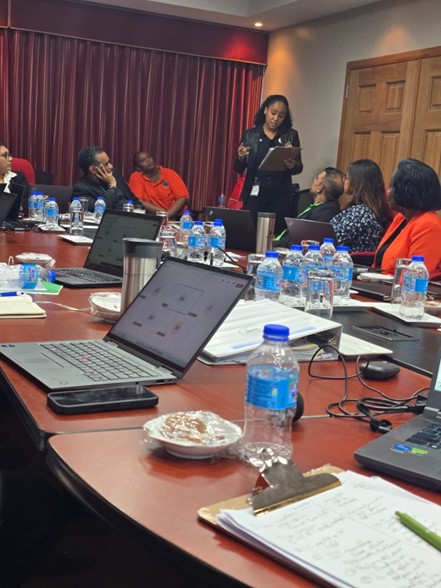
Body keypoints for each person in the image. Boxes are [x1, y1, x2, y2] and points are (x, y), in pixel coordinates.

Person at [234, 94, 303, 235]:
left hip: (280, 194)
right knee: (250, 232)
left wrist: (292, 165)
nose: (276, 119)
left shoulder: (290, 135)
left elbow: (299, 167)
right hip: (255, 191)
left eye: (281, 116)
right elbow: (238, 168)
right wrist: (240, 158)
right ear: (265, 110)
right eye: (273, 113)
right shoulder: (250, 135)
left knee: (277, 234)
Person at [373, 158, 441, 276]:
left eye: (391, 186)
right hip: (378, 283)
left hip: (401, 286)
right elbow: (379, 264)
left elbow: (414, 275)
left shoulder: (429, 225)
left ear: (406, 191)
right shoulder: (401, 218)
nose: (387, 191)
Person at [330, 159, 392, 252]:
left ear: (357, 183)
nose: (344, 181)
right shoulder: (361, 209)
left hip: (348, 260)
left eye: (347, 178)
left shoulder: (362, 213)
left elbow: (331, 240)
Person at [71, 146, 138, 212]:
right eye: (106, 164)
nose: (111, 166)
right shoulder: (81, 189)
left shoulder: (114, 174)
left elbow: (133, 200)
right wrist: (113, 186)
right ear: (93, 169)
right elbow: (100, 210)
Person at [128, 151, 189, 218]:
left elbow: (183, 198)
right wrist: (162, 213)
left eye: (148, 157)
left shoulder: (169, 173)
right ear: (138, 168)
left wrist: (167, 215)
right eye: (143, 160)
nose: (148, 160)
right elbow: (139, 201)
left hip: (178, 217)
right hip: (154, 217)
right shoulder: (136, 177)